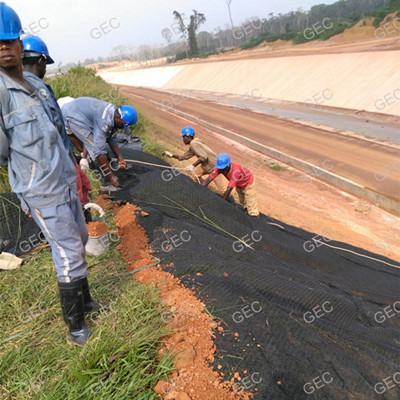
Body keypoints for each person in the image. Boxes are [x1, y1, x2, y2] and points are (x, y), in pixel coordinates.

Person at [0, 3, 97, 346]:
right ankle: (75, 328)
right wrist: (27, 182)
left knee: (81, 238)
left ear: (19, 43)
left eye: (9, 40)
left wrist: (75, 171)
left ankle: (84, 301)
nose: (3, 46)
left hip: (65, 181)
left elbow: (57, 131)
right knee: (69, 251)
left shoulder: (38, 86)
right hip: (41, 189)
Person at [21, 35, 92, 222]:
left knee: (81, 186)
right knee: (66, 230)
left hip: (38, 179)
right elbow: (51, 134)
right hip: (53, 177)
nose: (45, 69)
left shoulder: (14, 88)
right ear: (40, 60)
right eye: (46, 64)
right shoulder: (39, 89)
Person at [61, 97, 138, 188]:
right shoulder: (104, 121)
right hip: (72, 115)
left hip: (79, 110)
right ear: (118, 118)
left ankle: (105, 165)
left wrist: (120, 158)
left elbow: (111, 137)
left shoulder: (114, 113)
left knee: (99, 143)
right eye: (123, 125)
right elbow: (98, 150)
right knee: (95, 147)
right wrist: (111, 176)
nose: (122, 127)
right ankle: (105, 179)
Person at [162, 126, 225, 194]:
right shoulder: (193, 144)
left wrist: (192, 165)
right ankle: (205, 190)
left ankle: (232, 203)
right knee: (195, 175)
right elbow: (183, 157)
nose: (183, 139)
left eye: (183, 137)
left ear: (187, 136)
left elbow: (204, 157)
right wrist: (171, 155)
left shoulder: (193, 144)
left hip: (214, 167)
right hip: (206, 165)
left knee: (222, 189)